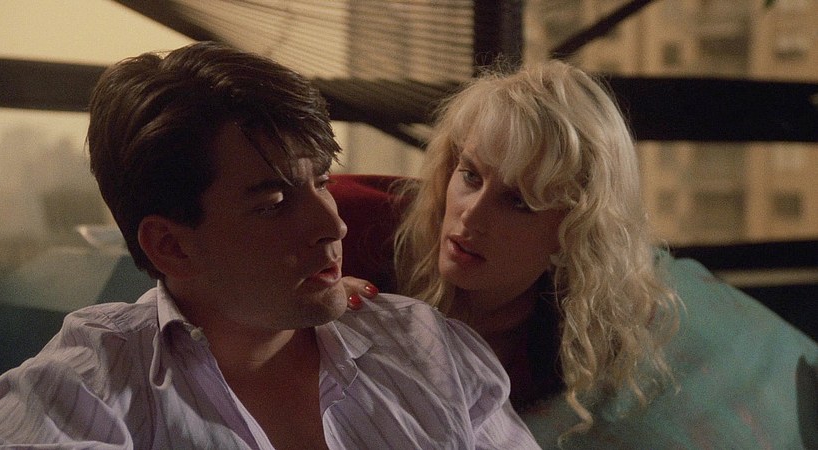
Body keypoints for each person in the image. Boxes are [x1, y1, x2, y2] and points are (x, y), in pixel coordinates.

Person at [0, 42, 540, 449]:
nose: (334, 225)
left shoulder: (430, 350)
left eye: (322, 182)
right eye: (273, 204)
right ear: (171, 246)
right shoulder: (86, 389)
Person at [342, 59, 818, 449]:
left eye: (519, 202)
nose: (471, 216)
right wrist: (309, 304)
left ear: (570, 234)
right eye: (470, 176)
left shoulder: (556, 363)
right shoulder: (357, 224)